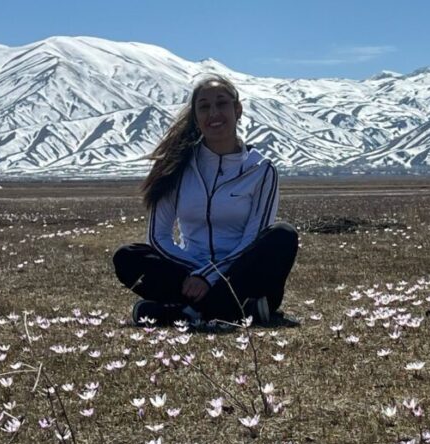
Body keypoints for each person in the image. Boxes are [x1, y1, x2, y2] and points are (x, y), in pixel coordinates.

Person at [112, 75, 299, 326]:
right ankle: (236, 311)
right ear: (196, 116)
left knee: (282, 235)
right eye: (204, 106)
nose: (214, 113)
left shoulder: (261, 170)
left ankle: (184, 313)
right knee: (127, 256)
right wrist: (197, 273)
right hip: (187, 274)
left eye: (221, 104)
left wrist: (210, 275)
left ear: (237, 109)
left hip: (240, 273)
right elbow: (159, 237)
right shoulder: (175, 167)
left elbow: (253, 238)